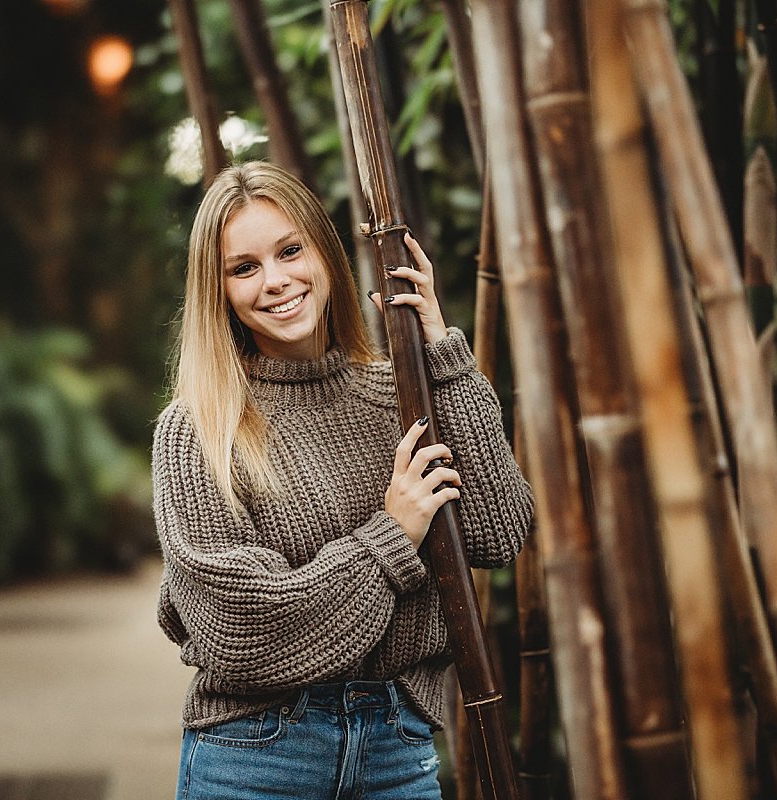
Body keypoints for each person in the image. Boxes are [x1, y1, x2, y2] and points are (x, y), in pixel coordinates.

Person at [153, 161, 533, 800]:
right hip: (258, 758)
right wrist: (392, 537)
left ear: (325, 253)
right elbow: (238, 628)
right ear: (217, 290)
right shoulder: (201, 427)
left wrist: (440, 352)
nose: (276, 281)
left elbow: (497, 533)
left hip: (396, 750)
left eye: (290, 250)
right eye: (244, 268)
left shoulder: (402, 394)